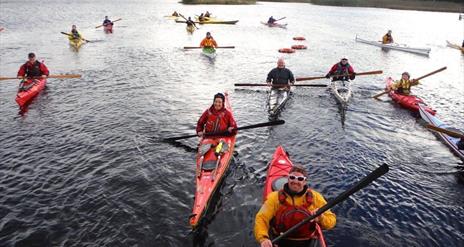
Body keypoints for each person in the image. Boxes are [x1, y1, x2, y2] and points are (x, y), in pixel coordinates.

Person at [254, 165, 336, 247]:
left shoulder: (316, 197)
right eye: (292, 177)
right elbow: (261, 218)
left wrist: (321, 218)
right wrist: (263, 238)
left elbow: (331, 221)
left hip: (307, 242)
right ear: (288, 179)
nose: (295, 181)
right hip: (280, 239)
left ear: (305, 181)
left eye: (300, 179)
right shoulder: (274, 198)